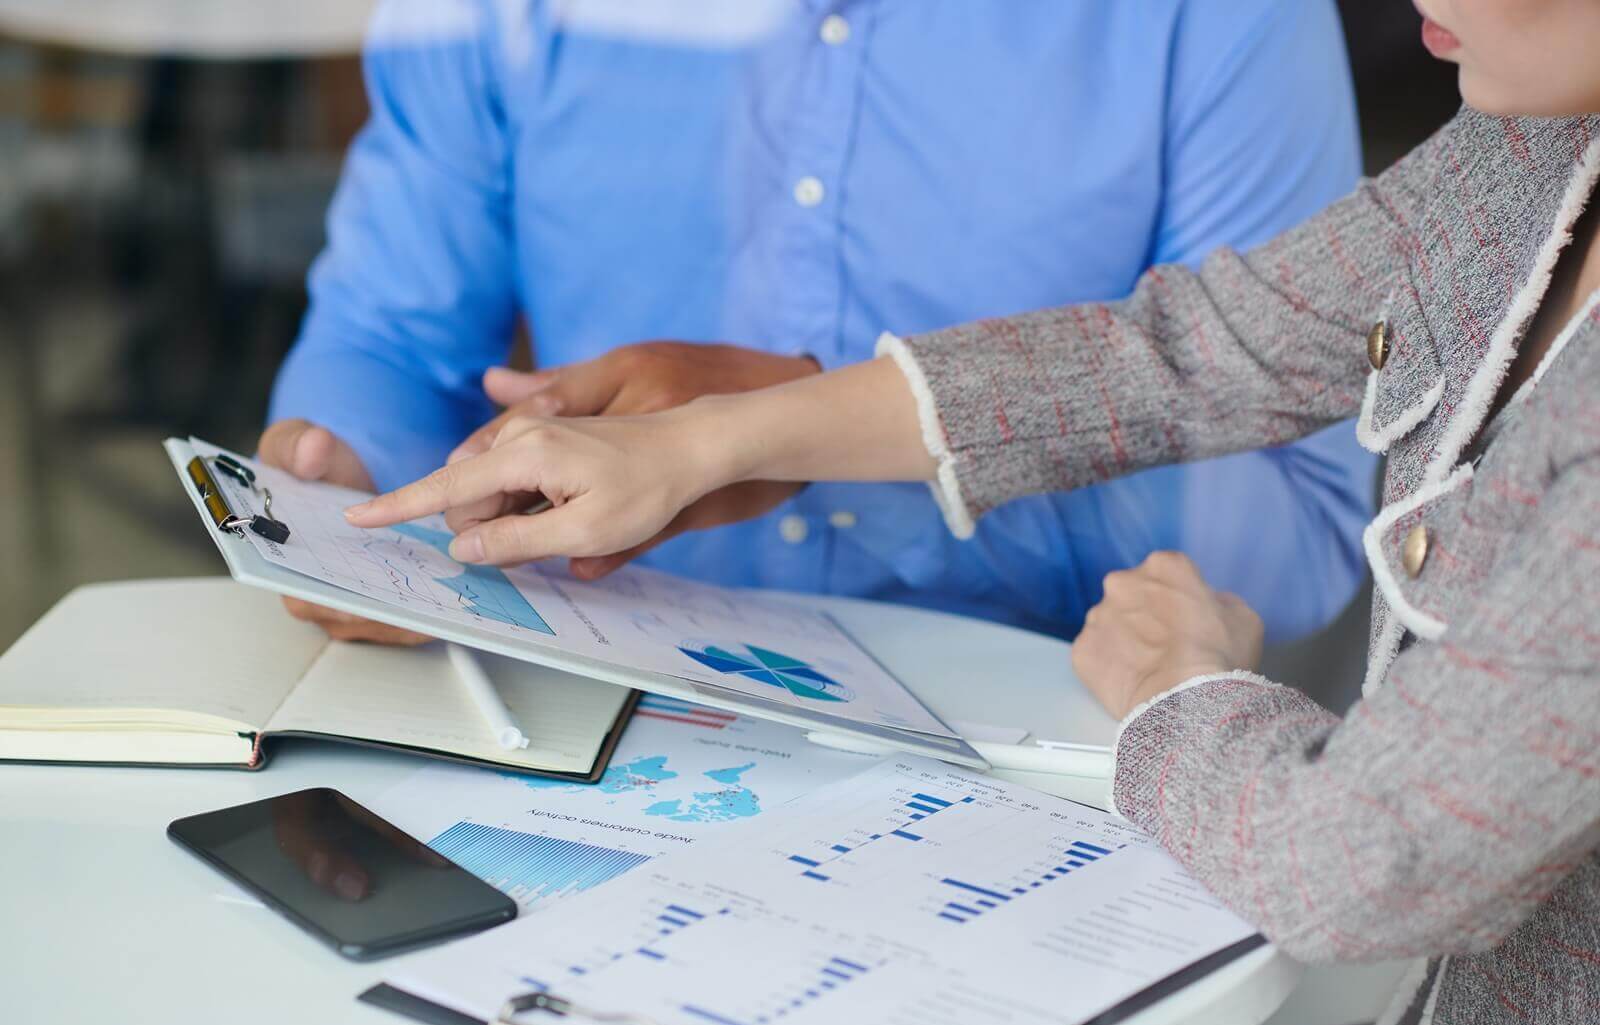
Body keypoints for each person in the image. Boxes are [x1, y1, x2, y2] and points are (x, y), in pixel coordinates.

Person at [347, 0, 1600, 1025]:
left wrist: (1185, 693)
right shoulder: (1528, 154)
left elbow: (1364, 866)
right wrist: (716, 439)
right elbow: (1185, 347)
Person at [262, 0, 1375, 645]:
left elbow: (1299, 520)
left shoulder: (1221, 16)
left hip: (1033, 779)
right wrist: (362, 504)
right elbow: (386, 344)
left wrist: (803, 443)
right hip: (581, 714)